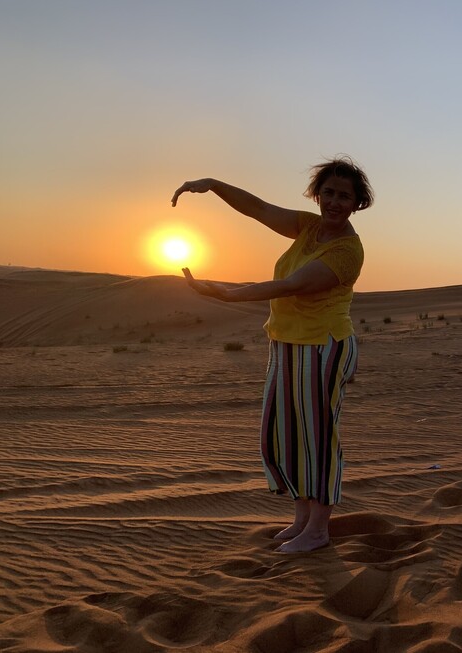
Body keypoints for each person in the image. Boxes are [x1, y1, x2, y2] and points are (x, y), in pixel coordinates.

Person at [171, 157, 373, 553]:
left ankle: (318, 529)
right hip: (286, 342)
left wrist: (228, 294)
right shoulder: (309, 227)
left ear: (357, 204)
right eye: (328, 192)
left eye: (344, 196)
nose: (334, 202)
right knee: (282, 433)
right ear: (318, 194)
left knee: (316, 437)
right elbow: (260, 210)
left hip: (323, 346)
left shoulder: (349, 251)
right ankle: (301, 517)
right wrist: (213, 184)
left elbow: (292, 285)